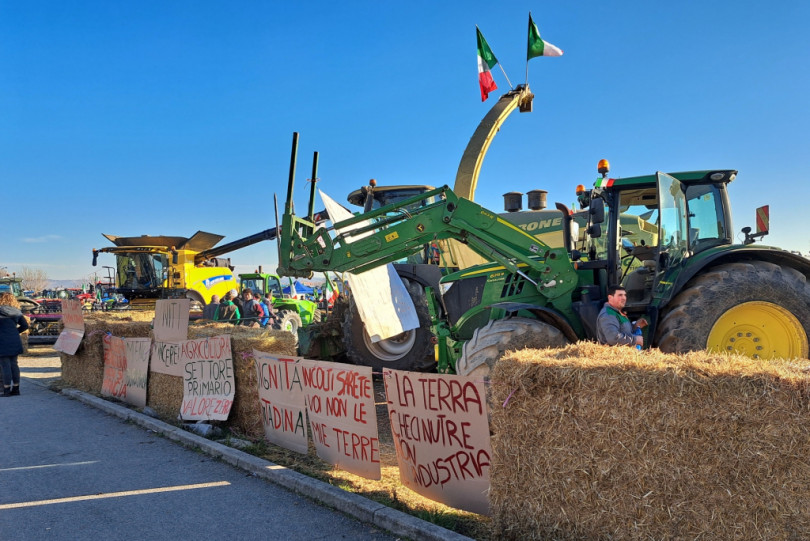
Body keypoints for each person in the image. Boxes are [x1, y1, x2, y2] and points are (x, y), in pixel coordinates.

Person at [0, 292, 29, 397]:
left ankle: (6, 390)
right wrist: (15, 332)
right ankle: (16, 389)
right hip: (14, 340)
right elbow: (25, 325)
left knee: (5, 366)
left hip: (2, 341)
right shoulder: (17, 312)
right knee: (14, 364)